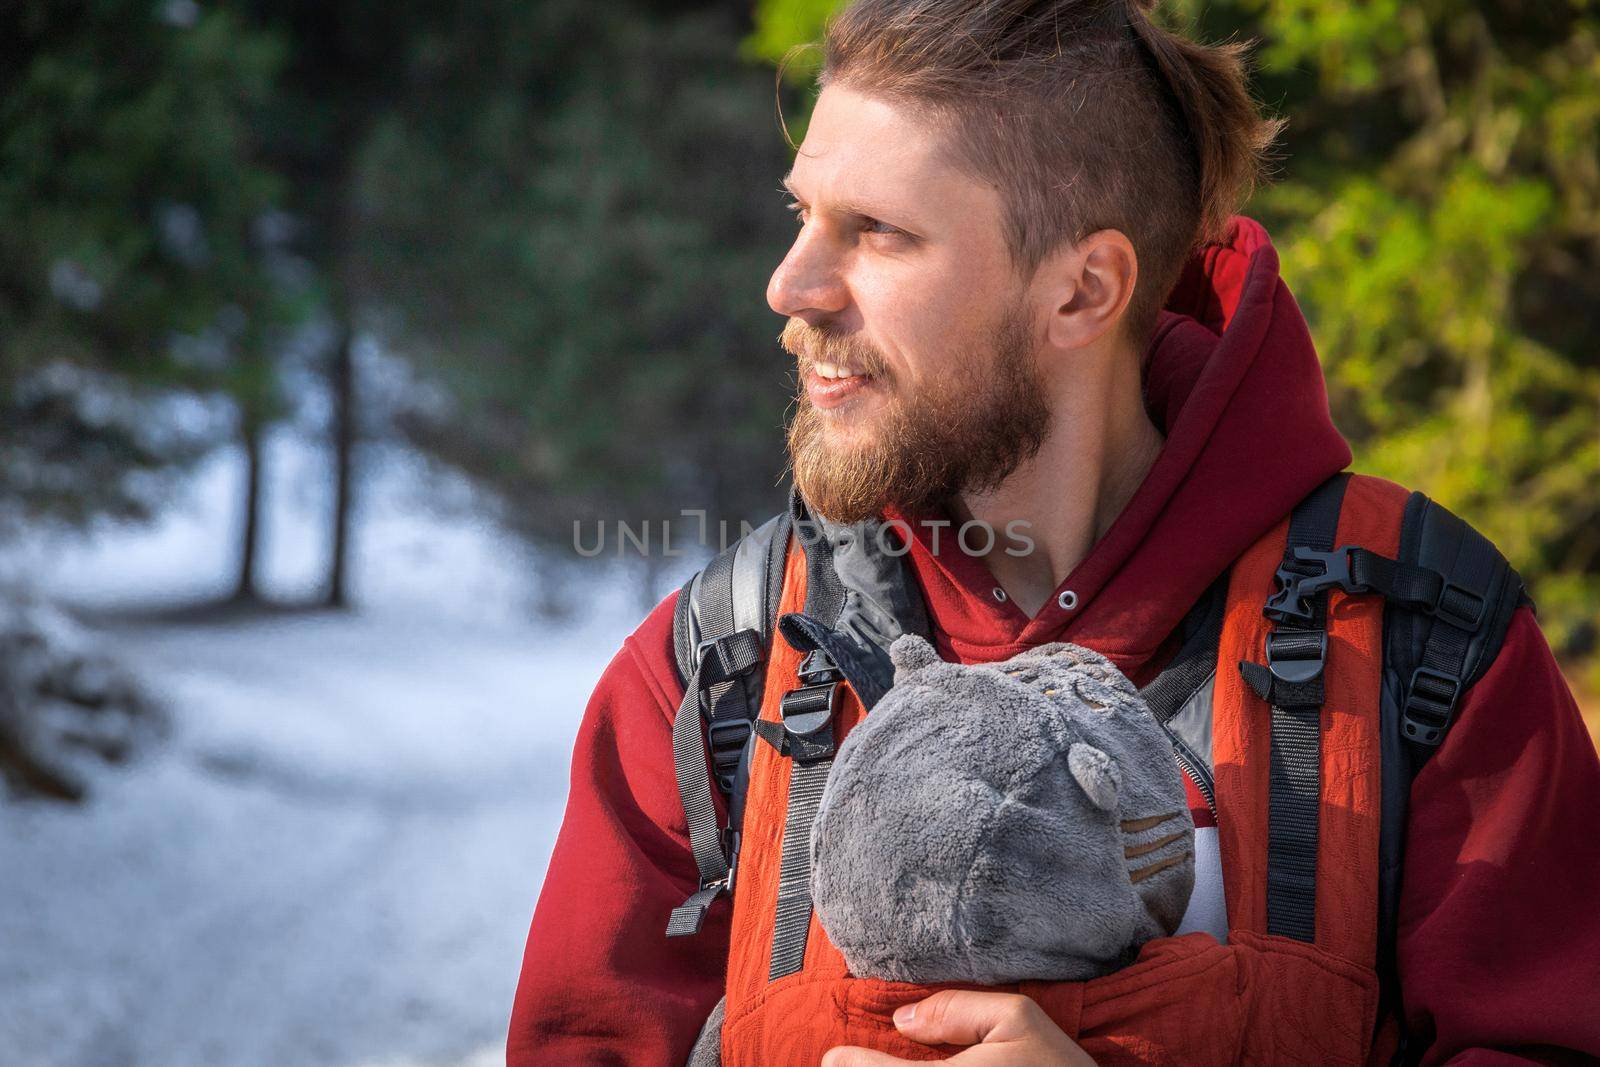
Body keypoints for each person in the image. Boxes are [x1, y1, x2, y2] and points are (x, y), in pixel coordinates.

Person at [508, 1, 1600, 1064]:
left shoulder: (1420, 633)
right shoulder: (715, 665)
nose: (788, 287)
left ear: (1083, 291)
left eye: (879, 232)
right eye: (803, 214)